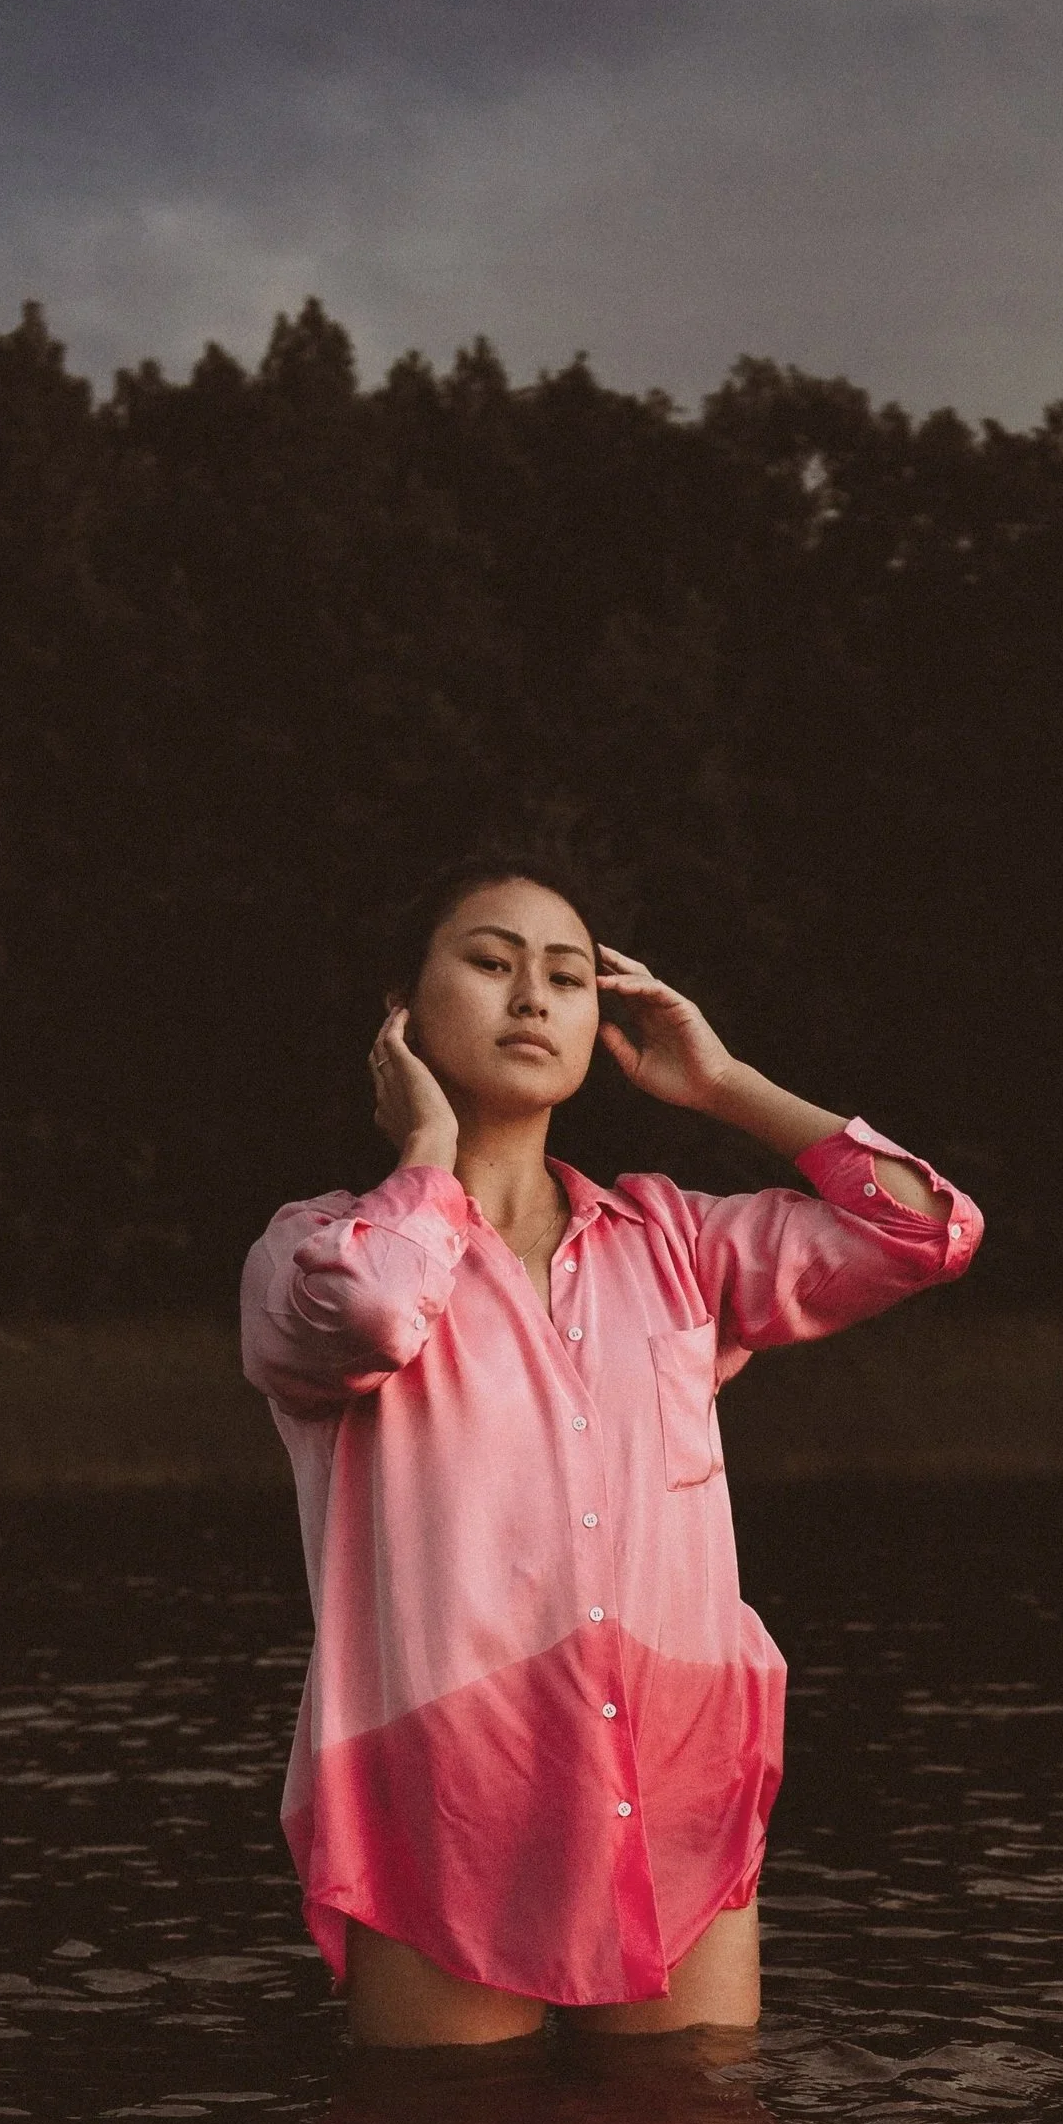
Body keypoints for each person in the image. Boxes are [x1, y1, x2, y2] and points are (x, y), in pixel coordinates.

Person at [240, 841, 984, 2046]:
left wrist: (727, 1082)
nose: (532, 995)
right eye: (490, 963)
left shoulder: (674, 1241)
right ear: (402, 1015)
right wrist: (425, 1152)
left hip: (680, 1780)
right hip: (453, 1795)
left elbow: (924, 1231)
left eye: (568, 975)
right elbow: (377, 1314)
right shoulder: (314, 1253)